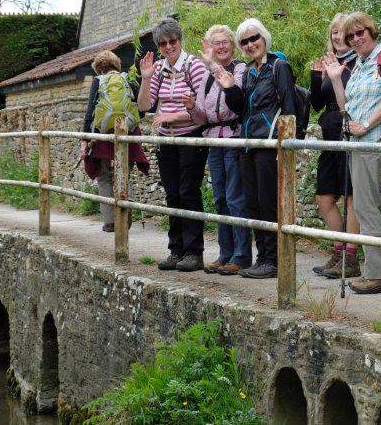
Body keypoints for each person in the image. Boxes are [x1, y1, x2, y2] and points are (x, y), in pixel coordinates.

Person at [324, 11, 381, 294]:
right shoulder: (359, 65)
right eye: (350, 36)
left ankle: (380, 274)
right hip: (359, 140)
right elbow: (346, 107)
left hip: (374, 138)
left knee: (367, 204)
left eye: (360, 33)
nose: (356, 39)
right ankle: (378, 271)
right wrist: (336, 79)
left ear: (372, 31)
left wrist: (366, 125)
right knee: (367, 203)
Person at [220, 18, 297, 279]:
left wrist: (284, 146)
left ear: (264, 37)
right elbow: (242, 109)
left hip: (269, 145)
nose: (251, 44)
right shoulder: (250, 72)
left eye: (255, 38)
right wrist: (230, 89)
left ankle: (273, 260)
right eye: (245, 41)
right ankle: (262, 257)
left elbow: (289, 109)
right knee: (253, 204)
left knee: (268, 204)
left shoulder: (279, 67)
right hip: (249, 144)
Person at [137, 17, 209, 272]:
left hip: (190, 137)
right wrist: (145, 78)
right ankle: (176, 249)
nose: (169, 47)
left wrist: (171, 116)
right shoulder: (158, 69)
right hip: (166, 140)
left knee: (189, 191)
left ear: (180, 40)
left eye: (172, 41)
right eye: (163, 43)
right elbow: (145, 106)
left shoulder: (195, 66)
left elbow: (204, 108)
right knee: (172, 193)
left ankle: (194, 251)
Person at [183, 25, 252, 276]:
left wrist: (212, 65)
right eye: (216, 43)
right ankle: (225, 253)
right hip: (214, 140)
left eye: (225, 42)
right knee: (221, 198)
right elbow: (203, 117)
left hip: (233, 139)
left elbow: (238, 101)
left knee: (235, 197)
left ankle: (241, 255)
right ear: (210, 46)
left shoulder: (241, 70)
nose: (221, 47)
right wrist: (192, 107)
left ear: (232, 45)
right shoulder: (206, 78)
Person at [310, 14, 361, 279]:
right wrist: (315, 76)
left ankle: (350, 257)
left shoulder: (358, 64)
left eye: (342, 33)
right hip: (329, 133)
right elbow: (316, 104)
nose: (337, 37)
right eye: (333, 33)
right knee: (324, 197)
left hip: (349, 131)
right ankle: (339, 250)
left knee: (351, 195)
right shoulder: (332, 63)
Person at [80, 50, 150, 232]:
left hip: (103, 137)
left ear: (98, 68)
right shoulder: (128, 79)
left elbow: (90, 114)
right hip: (128, 134)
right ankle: (125, 215)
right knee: (123, 173)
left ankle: (111, 221)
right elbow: (141, 111)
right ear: (117, 65)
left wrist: (84, 141)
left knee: (104, 176)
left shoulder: (98, 81)